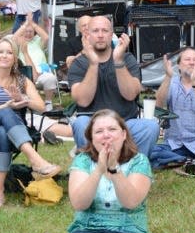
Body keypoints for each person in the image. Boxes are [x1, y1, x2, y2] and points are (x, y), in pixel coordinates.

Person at [0, 36, 62, 209]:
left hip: (12, 134)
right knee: (5, 111)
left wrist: (24, 99)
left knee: (2, 133)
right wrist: (6, 105)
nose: (4, 55)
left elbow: (41, 107)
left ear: (14, 58)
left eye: (9, 52)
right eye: (0, 52)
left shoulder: (22, 80)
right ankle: (35, 159)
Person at [68, 16, 159, 157]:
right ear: (87, 35)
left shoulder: (127, 59)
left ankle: (136, 169)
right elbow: (83, 100)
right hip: (93, 126)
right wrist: (93, 64)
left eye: (105, 31)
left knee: (151, 127)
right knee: (80, 123)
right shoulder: (79, 63)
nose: (100, 35)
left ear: (111, 35)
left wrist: (118, 61)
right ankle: (93, 169)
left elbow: (131, 94)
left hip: (124, 124)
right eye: (95, 31)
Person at [13, 19, 57, 111]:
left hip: (42, 73)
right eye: (26, 31)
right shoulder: (19, 43)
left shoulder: (37, 41)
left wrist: (33, 23)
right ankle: (30, 104)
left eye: (31, 31)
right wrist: (25, 24)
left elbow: (46, 37)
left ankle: (48, 102)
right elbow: (14, 37)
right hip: (26, 76)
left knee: (50, 77)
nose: (28, 34)